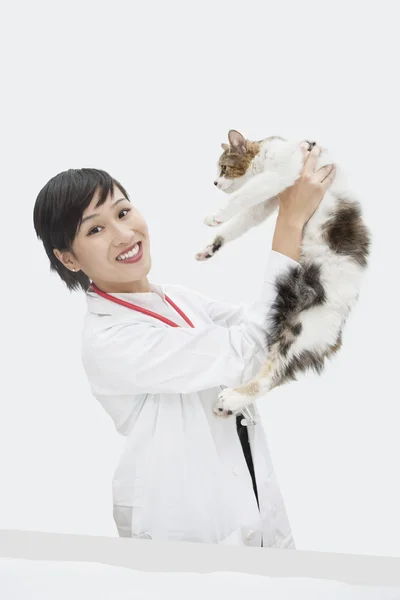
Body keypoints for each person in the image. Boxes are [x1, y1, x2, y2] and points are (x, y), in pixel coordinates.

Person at [33, 143, 335, 548]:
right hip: (188, 529)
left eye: (123, 212)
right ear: (68, 259)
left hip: (252, 505)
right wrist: (290, 219)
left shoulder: (173, 298)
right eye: (95, 229)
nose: (124, 234)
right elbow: (251, 352)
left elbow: (265, 323)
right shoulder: (110, 340)